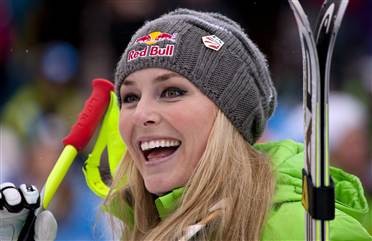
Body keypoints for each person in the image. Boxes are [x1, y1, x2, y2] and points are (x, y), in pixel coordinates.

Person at [1, 8, 371, 241]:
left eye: (172, 92)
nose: (142, 113)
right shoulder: (139, 226)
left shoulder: (305, 229)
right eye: (130, 97)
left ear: (231, 116)